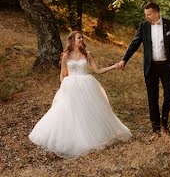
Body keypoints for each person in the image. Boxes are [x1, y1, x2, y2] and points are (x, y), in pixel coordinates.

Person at [29, 30, 132, 158]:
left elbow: (98, 70)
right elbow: (63, 73)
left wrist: (114, 66)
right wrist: (63, 87)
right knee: (69, 112)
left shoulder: (87, 54)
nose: (81, 40)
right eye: (79, 38)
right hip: (70, 86)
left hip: (87, 85)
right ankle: (70, 139)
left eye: (82, 38)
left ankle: (91, 138)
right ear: (72, 40)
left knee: (88, 112)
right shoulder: (66, 55)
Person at [115, 1, 170, 134]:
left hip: (166, 66)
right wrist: (124, 59)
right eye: (146, 14)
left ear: (156, 13)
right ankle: (156, 128)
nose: (147, 17)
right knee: (152, 97)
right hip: (151, 67)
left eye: (149, 14)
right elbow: (135, 44)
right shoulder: (144, 26)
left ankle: (165, 122)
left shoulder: (169, 24)